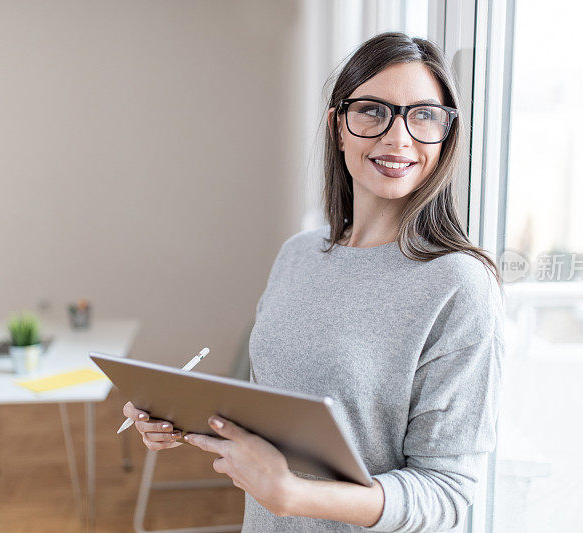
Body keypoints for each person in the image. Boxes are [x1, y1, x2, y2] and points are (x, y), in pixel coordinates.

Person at [123, 31, 506, 532]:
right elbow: (273, 410)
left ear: (446, 135)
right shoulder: (299, 254)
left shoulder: (459, 286)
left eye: (424, 116)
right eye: (372, 110)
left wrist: (295, 495)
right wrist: (183, 418)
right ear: (337, 126)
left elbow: (448, 491)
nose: (398, 138)